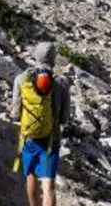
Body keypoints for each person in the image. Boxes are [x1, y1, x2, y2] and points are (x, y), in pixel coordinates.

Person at [8, 41, 71, 206]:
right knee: (48, 187)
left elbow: (15, 114)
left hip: (29, 138)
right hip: (52, 139)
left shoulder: (21, 79)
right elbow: (65, 118)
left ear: (35, 56)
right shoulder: (61, 82)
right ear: (53, 59)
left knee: (31, 176)